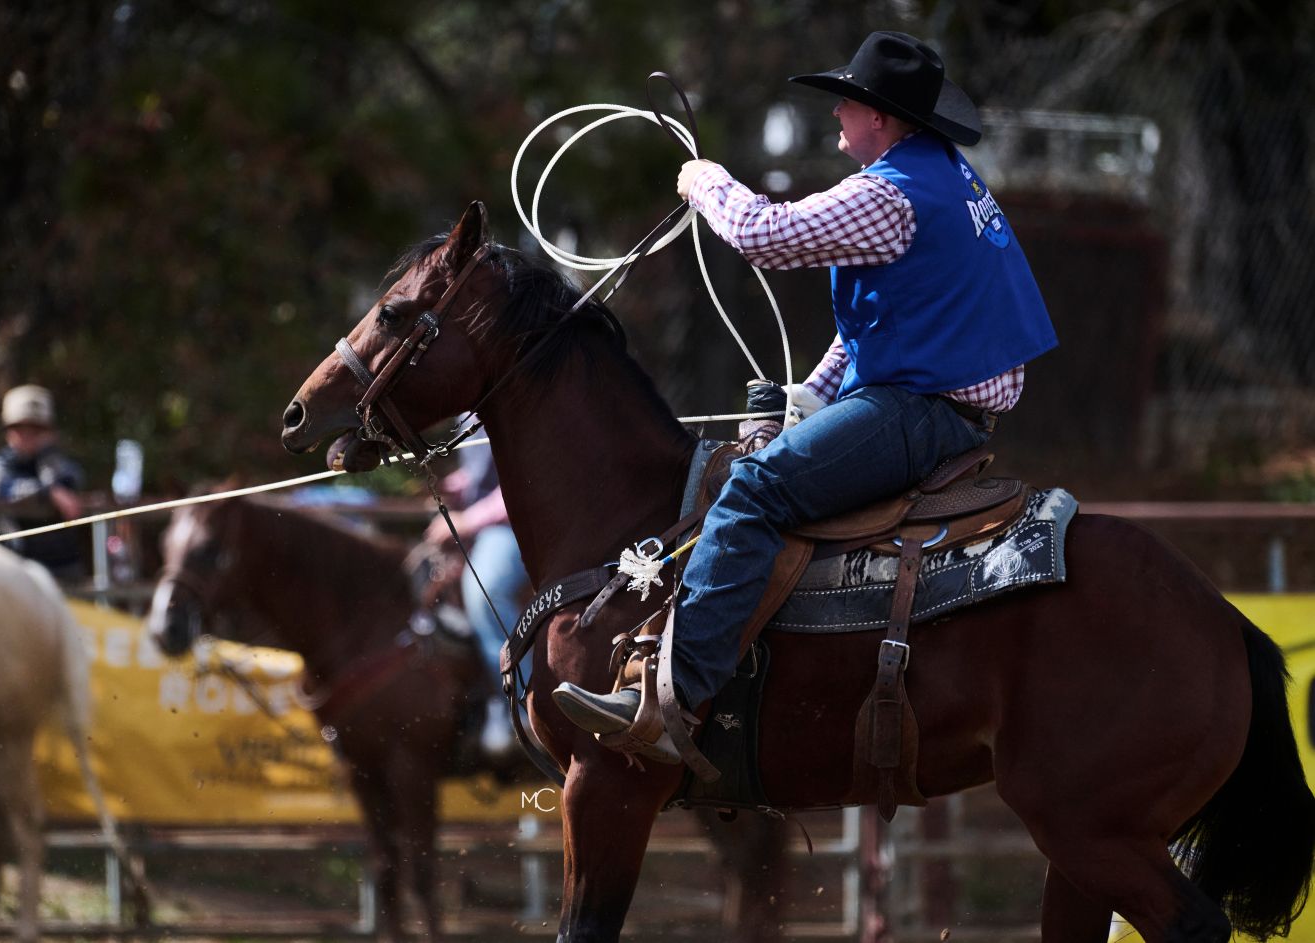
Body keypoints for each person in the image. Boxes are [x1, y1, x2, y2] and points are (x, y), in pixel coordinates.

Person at [554, 31, 1058, 762]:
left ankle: (671, 702)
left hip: (921, 410)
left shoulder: (888, 192)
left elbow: (765, 235)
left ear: (878, 118)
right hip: (935, 403)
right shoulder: (942, 175)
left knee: (754, 489)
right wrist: (811, 396)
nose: (835, 119)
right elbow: (883, 317)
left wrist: (703, 181)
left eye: (846, 105)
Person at [422, 429, 530, 760]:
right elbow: (484, 470)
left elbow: (522, 477)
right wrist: (452, 485)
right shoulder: (466, 413)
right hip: (485, 520)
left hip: (517, 523)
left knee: (485, 589)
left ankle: (519, 705)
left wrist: (468, 518)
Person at [0, 384, 87, 580]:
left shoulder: (55, 461)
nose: (27, 436)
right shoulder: (0, 463)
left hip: (62, 567)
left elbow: (73, 482)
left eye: (36, 429)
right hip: (17, 564)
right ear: (8, 431)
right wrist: (48, 492)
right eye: (20, 429)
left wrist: (46, 459)